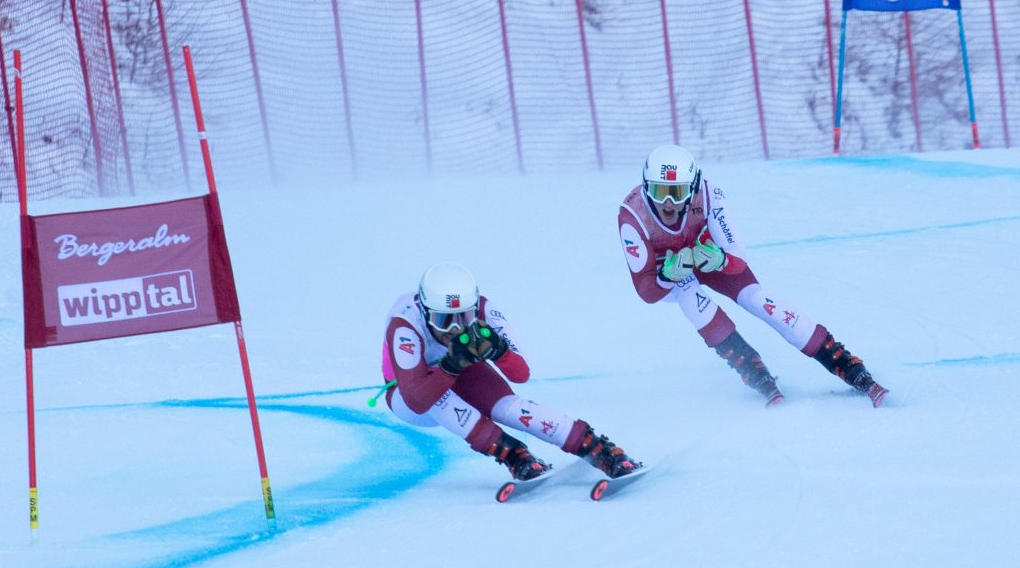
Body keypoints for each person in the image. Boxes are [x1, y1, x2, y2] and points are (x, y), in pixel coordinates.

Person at [617, 144, 889, 408]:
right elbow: (647, 291)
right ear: (645, 188)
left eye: (676, 192)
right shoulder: (632, 216)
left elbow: (737, 258)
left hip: (708, 256)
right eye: (658, 191)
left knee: (759, 300)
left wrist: (721, 259)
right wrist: (667, 275)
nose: (668, 203)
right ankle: (751, 367)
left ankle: (840, 359)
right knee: (691, 296)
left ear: (693, 188)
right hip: (672, 271)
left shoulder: (710, 196)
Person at [379, 261, 640, 481]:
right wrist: (450, 368)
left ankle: (595, 447)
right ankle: (512, 453)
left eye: (464, 318)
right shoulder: (404, 324)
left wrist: (500, 351)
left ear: (475, 309)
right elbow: (416, 400)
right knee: (440, 400)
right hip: (410, 395)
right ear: (425, 313)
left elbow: (520, 374)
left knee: (509, 408)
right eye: (444, 320)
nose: (455, 329)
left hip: (457, 369)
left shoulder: (483, 309)